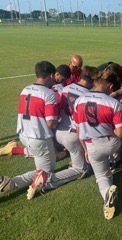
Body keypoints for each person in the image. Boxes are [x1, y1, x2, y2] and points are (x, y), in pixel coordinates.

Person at [0, 61, 58, 200]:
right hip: (38, 137)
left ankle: (13, 149)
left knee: (39, 155)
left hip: (24, 134)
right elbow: (51, 122)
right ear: (51, 75)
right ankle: (9, 183)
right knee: (46, 174)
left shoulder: (25, 89)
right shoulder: (49, 94)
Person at [73, 69, 122, 220]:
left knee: (101, 175)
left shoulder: (79, 100)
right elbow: (121, 133)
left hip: (91, 145)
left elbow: (78, 129)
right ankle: (116, 160)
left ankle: (106, 194)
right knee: (117, 140)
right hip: (111, 144)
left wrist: (85, 150)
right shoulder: (114, 103)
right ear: (110, 86)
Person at [43, 66, 98, 190]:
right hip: (72, 134)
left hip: (59, 131)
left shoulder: (65, 88)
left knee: (75, 154)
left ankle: (75, 160)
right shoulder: (88, 95)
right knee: (80, 169)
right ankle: (46, 180)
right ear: (93, 80)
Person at [0, 65, 72, 160]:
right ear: (53, 75)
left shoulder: (28, 89)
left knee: (51, 150)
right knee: (52, 156)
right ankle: (14, 149)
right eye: (61, 79)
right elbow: (52, 121)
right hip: (41, 130)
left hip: (26, 130)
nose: (62, 81)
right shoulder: (54, 91)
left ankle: (13, 148)